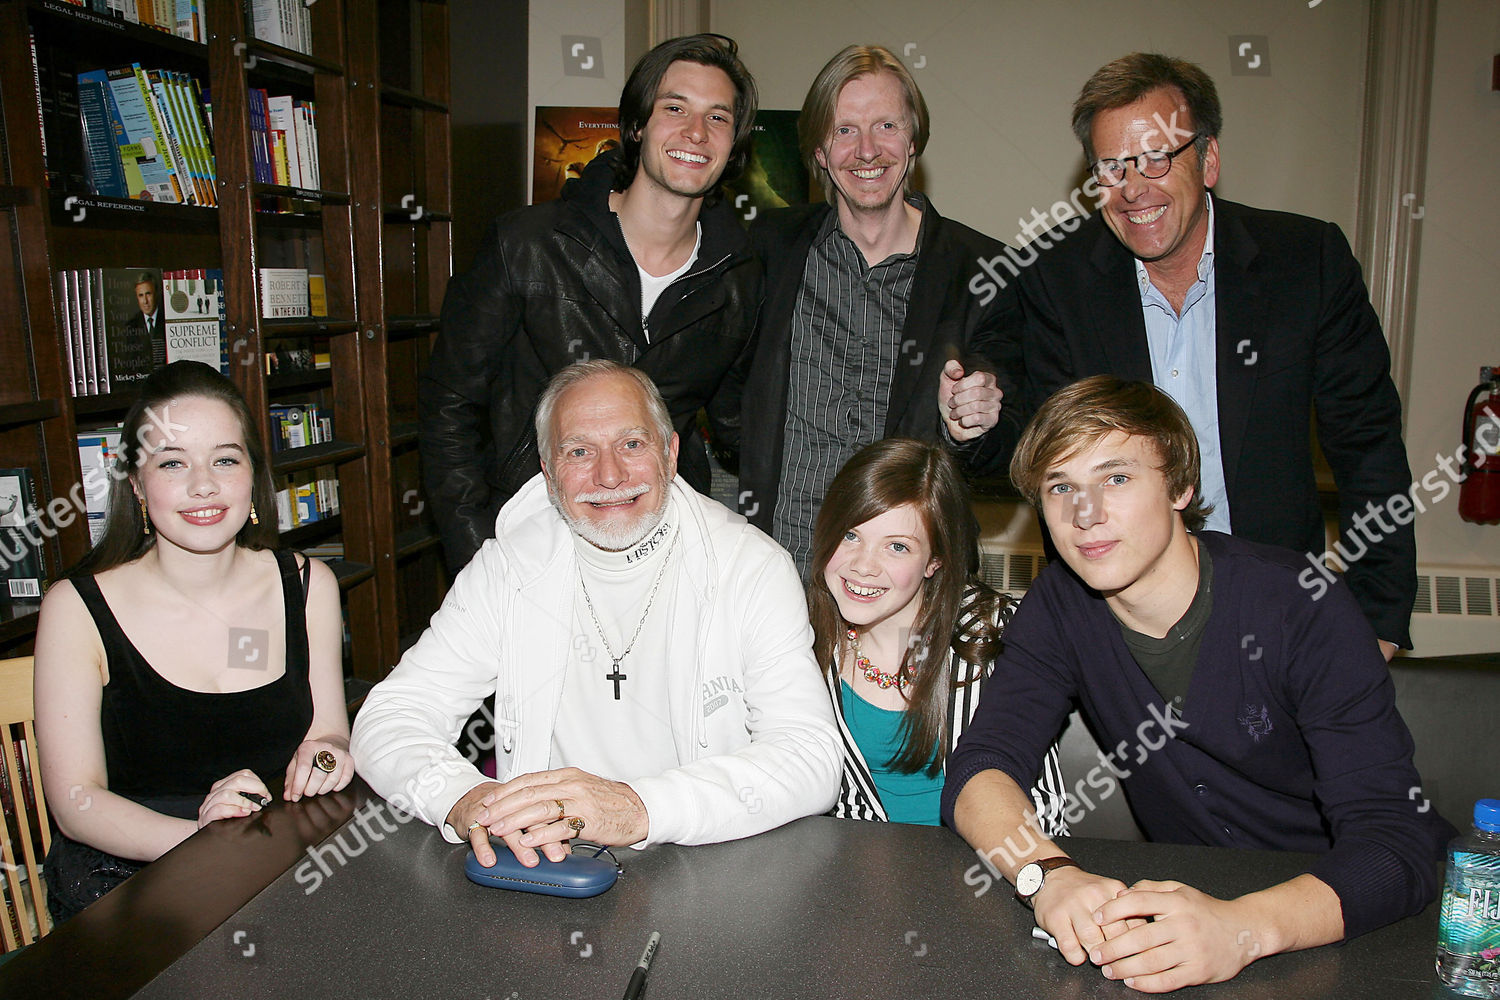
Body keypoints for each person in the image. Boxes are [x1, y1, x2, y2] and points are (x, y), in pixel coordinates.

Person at [942, 376, 1452, 992]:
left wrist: (1242, 929)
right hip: (1191, 904)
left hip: (1341, 918)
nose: (1086, 514)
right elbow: (982, 766)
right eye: (1061, 487)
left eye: (1117, 478)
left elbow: (1398, 842)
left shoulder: (1300, 605)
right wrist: (1046, 875)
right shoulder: (1060, 606)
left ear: (1181, 486)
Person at [353, 361, 840, 868]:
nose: (609, 476)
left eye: (632, 445)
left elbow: (810, 757)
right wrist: (465, 799)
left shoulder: (750, 567)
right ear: (547, 471)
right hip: (549, 869)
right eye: (579, 452)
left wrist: (638, 808)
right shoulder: (507, 568)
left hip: (708, 866)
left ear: (670, 454)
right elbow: (391, 717)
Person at [1015, 52, 1414, 658]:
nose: (1133, 189)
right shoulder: (1055, 279)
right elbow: (1057, 468)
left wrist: (1379, 617)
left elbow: (1369, 445)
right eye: (1112, 167)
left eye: (1156, 158)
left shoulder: (1307, 261)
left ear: (1209, 160)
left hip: (1279, 613)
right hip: (1119, 623)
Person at [421, 33, 762, 574]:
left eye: (717, 118)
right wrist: (480, 557)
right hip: (525, 539)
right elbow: (448, 409)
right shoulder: (525, 244)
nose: (695, 132)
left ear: (734, 144)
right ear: (636, 126)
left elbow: (743, 424)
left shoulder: (740, 278)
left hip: (660, 546)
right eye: (674, 108)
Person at [34, 361, 352, 924]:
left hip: (279, 865)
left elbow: (328, 732)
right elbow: (76, 802)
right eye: (173, 463)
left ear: (253, 475)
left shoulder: (307, 587)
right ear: (135, 483)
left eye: (225, 460)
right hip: (134, 881)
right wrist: (199, 841)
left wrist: (327, 757)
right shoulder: (76, 607)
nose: (203, 485)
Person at [726, 44, 1023, 575]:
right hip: (780, 571)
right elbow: (726, 385)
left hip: (912, 583)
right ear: (819, 150)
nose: (867, 150)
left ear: (914, 141)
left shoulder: (984, 269)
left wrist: (970, 427)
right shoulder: (769, 248)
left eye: (886, 125)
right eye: (844, 130)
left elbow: (1011, 441)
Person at [808, 438, 1067, 832]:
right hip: (848, 868)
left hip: (979, 870)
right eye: (850, 535)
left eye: (897, 547)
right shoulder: (801, 635)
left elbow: (1043, 804)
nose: (863, 566)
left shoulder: (997, 635)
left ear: (935, 560)